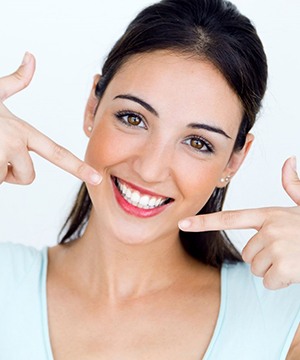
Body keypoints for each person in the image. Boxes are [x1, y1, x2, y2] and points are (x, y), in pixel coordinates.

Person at [0, 0, 300, 358]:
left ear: (234, 160)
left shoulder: (282, 318)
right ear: (92, 108)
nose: (150, 170)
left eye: (197, 142)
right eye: (133, 118)